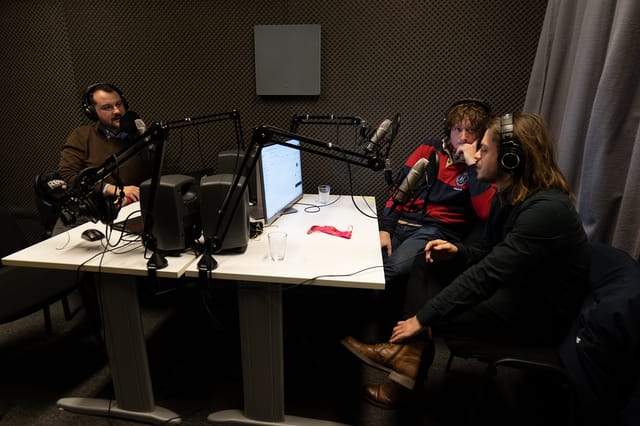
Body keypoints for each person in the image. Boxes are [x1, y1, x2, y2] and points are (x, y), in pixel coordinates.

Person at [342, 112, 591, 408]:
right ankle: (405, 362)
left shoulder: (546, 211)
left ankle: (403, 369)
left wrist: (422, 318)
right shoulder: (511, 195)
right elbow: (487, 252)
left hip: (534, 315)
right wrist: (457, 252)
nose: (475, 156)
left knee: (429, 313)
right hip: (512, 290)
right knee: (427, 261)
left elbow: (488, 274)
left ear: (510, 159)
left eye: (484, 150)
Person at [380, 99, 496, 286]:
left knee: (391, 269)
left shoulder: (484, 163)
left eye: (471, 130)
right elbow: (399, 190)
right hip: (402, 222)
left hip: (435, 230)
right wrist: (385, 229)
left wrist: (471, 164)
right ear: (449, 130)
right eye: (458, 129)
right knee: (370, 261)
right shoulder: (428, 148)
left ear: (482, 134)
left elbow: (484, 211)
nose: (463, 137)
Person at [58, 82, 152, 207]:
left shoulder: (140, 135)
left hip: (137, 205)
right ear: (92, 112)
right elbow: (67, 176)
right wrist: (112, 189)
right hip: (99, 210)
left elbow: (164, 172)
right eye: (107, 107)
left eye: (119, 104)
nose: (117, 111)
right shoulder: (81, 136)